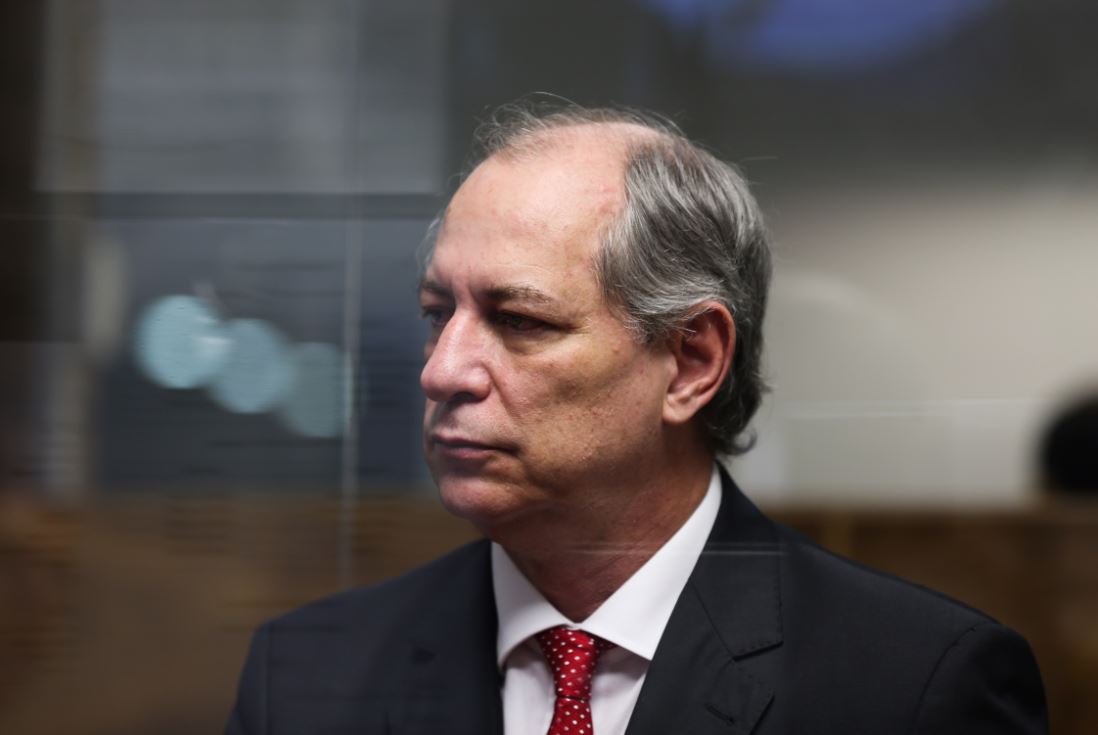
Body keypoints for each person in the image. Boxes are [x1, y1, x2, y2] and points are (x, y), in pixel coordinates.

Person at [225, 104, 1048, 734]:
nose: (441, 370)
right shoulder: (304, 678)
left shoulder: (912, 687)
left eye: (520, 321)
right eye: (439, 314)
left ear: (691, 361)